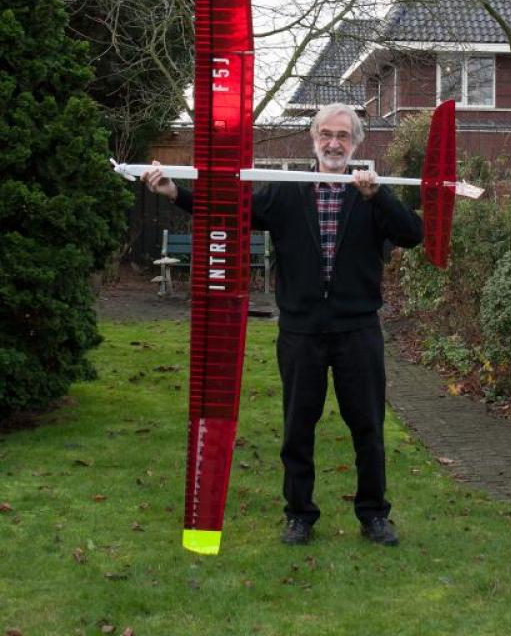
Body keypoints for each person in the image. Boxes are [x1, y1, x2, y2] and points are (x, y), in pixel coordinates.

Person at [143, 103, 423, 546]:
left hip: (358, 331)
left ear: (355, 143)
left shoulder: (371, 195)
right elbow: (226, 210)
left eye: (343, 136)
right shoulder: (287, 192)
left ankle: (373, 515)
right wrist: (175, 192)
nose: (334, 143)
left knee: (368, 427)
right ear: (313, 139)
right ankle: (299, 515)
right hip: (301, 331)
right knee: (297, 428)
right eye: (326, 134)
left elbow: (412, 234)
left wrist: (379, 196)